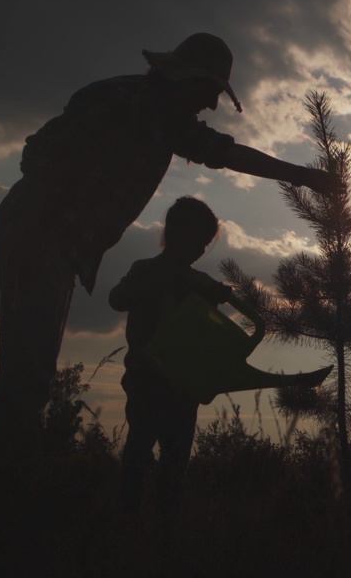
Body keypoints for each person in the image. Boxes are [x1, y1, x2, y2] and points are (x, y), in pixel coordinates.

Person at [0, 33, 336, 450]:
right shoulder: (119, 99)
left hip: (61, 246)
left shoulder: (170, 123)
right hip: (38, 233)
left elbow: (230, 154)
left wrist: (304, 177)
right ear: (185, 77)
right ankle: (9, 479)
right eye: (209, 92)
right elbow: (38, 152)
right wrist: (39, 223)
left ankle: (13, 466)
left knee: (33, 364)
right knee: (28, 365)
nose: (211, 105)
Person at [109, 196, 228, 519]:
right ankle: (131, 517)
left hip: (182, 386)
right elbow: (117, 298)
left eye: (205, 243)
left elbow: (207, 324)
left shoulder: (199, 282)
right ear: (176, 234)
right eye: (198, 241)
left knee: (174, 463)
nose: (201, 249)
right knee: (138, 452)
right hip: (146, 380)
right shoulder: (145, 270)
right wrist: (159, 283)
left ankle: (163, 526)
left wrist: (217, 295)